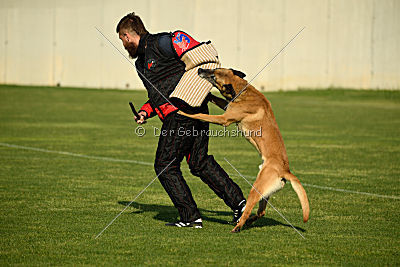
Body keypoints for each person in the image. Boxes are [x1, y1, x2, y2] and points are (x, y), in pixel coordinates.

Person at [116, 12, 246, 228]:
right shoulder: (140, 64)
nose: (123, 45)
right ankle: (240, 204)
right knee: (199, 162)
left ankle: (190, 216)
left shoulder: (162, 42)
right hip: (190, 113)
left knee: (164, 165)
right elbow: (157, 95)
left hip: (183, 114)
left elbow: (197, 52)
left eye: (122, 39)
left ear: (128, 36)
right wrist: (145, 112)